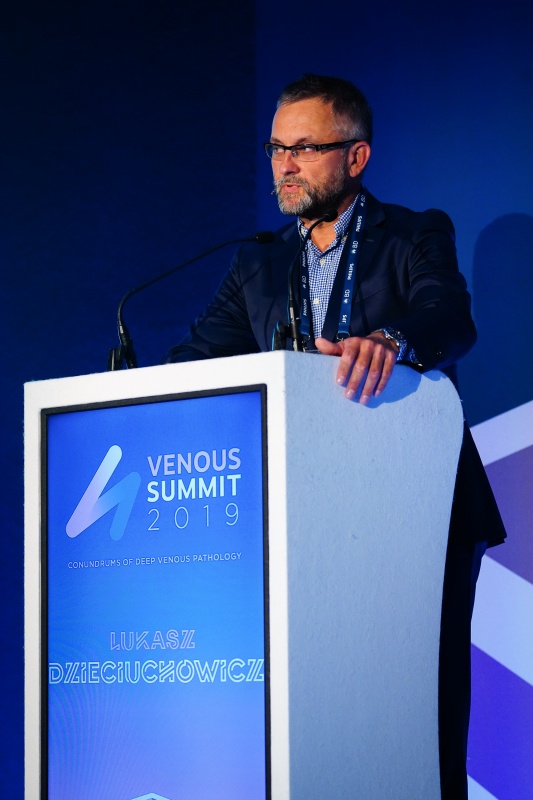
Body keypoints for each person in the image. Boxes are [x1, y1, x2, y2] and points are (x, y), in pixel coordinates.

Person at [167, 74, 505, 799]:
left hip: (414, 507)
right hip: (300, 519)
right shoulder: (257, 261)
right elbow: (195, 362)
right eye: (275, 149)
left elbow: (448, 319)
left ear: (356, 156)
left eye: (305, 148)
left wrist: (389, 340)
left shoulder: (413, 233)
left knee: (418, 703)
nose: (285, 165)